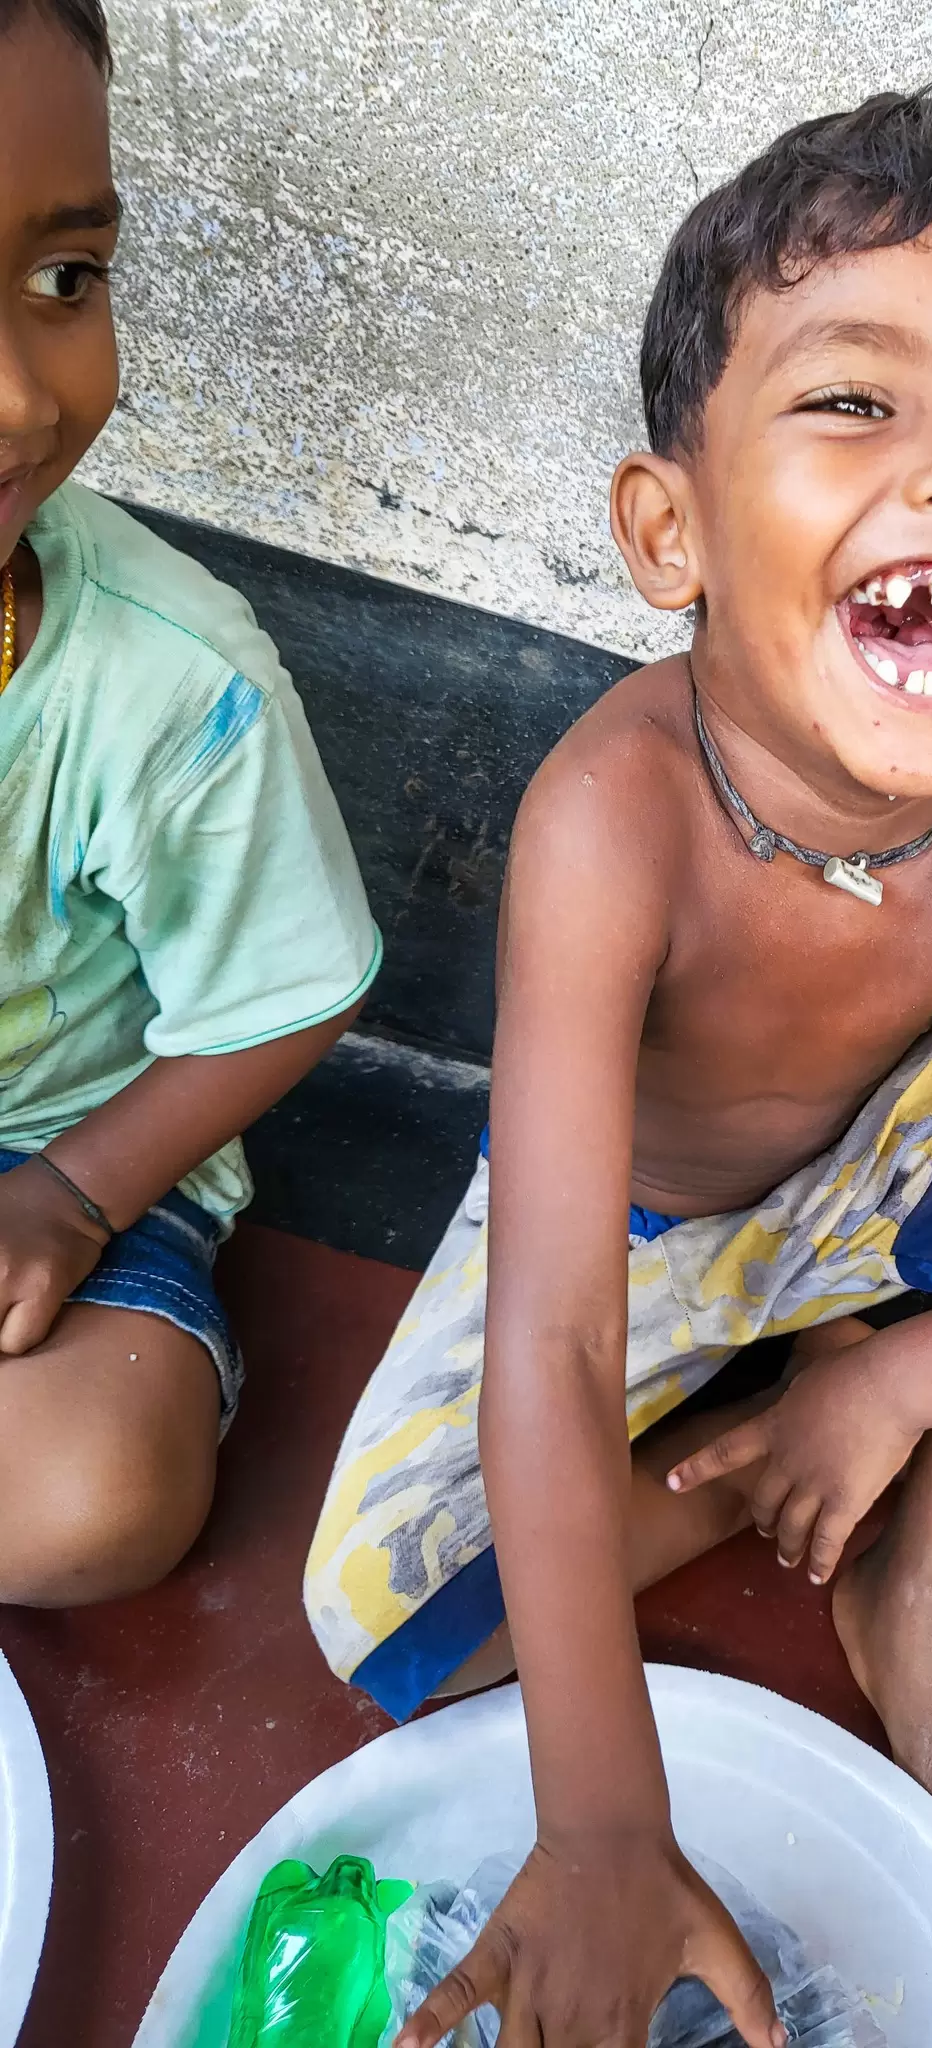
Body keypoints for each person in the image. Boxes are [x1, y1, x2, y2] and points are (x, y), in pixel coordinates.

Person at [304, 91, 932, 2048]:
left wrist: (906, 1382)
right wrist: (603, 1825)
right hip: (622, 1245)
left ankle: (917, 1586)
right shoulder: (613, 813)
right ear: (667, 529)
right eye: (857, 402)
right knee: (386, 1633)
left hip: (853, 1216)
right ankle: (788, 1429)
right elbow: (555, 1338)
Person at [0, 0, 380, 1606]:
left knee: (92, 1490)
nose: (21, 400)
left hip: (64, 1150)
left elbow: (290, 992)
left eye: (62, 281)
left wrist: (73, 1195)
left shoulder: (170, 687)